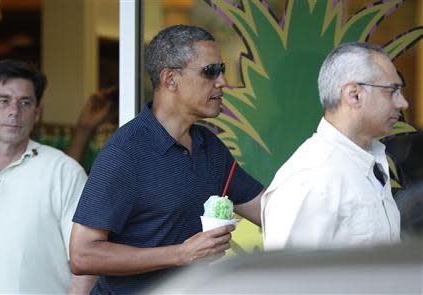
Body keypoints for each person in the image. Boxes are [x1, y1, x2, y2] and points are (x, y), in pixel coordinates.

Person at [69, 25, 265, 294]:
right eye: (210, 71)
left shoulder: (208, 146)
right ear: (170, 79)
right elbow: (83, 255)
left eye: (221, 70)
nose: (221, 81)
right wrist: (181, 254)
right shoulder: (125, 152)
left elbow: (268, 210)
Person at [261, 42, 409, 250]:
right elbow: (289, 278)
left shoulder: (366, 160)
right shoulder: (312, 177)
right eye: (392, 91)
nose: (402, 103)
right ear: (354, 94)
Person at [0, 59, 95, 293]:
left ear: (37, 113)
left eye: (25, 103)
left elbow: (88, 262)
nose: (13, 111)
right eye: (3, 100)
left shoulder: (64, 173)